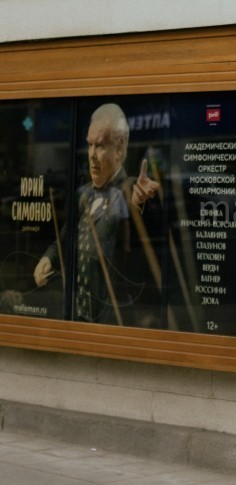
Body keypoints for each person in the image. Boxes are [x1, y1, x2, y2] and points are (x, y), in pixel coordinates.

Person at [33, 102, 161, 323]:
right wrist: (48, 258)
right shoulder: (82, 194)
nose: (91, 154)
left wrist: (140, 201)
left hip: (111, 320)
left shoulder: (127, 189)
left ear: (119, 150)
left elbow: (136, 210)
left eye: (100, 146)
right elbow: (64, 240)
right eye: (89, 145)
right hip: (75, 315)